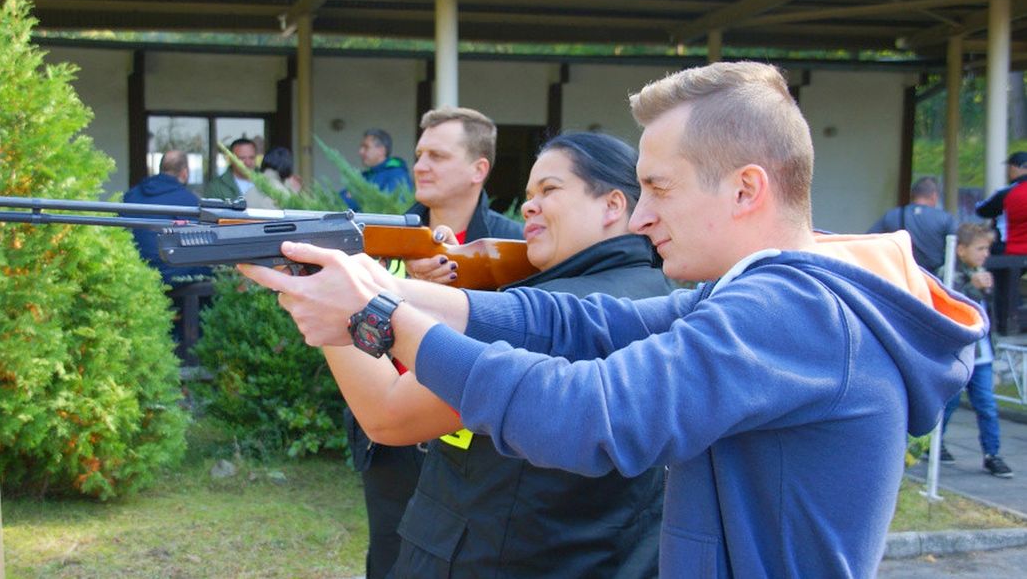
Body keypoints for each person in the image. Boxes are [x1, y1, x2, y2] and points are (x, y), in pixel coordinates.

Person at [239, 62, 984, 576]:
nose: (643, 215)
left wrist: (378, 317)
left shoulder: (797, 311)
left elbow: (593, 414)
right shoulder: (762, 292)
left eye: (659, 188)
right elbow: (583, 325)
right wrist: (384, 287)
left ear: (746, 189)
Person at [323, 132, 671, 577]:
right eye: (529, 195)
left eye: (549, 190)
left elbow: (389, 414)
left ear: (613, 206)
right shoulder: (650, 294)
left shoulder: (559, 311)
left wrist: (331, 296)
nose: (528, 206)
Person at [345, 107, 523, 579]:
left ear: (478, 169)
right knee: (389, 560)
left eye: (438, 156)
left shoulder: (516, 249)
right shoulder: (379, 240)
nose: (420, 166)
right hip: (391, 441)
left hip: (474, 445)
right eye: (420, 154)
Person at [938, 222, 1014, 478]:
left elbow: (988, 310)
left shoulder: (981, 272)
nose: (985, 254)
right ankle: (935, 444)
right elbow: (953, 304)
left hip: (982, 354)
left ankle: (992, 454)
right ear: (961, 250)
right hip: (958, 353)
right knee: (950, 403)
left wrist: (987, 290)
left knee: (987, 405)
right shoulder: (948, 272)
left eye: (987, 249)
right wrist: (973, 286)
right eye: (979, 249)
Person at [122, 150, 212, 284]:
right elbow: (199, 243)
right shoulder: (188, 200)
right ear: (184, 172)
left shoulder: (132, 195)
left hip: (136, 270)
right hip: (173, 273)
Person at [868, 176, 957, 271]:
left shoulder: (892, 215)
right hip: (932, 277)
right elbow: (957, 249)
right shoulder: (945, 218)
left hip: (901, 273)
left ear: (912, 195)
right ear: (934, 196)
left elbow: (869, 240)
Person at [341, 128, 413, 211]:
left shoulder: (397, 175)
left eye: (366, 147)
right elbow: (338, 202)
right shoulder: (365, 175)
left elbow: (389, 208)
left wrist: (355, 197)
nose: (361, 151)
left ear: (381, 150)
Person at [977, 151, 1027, 255]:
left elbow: (982, 210)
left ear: (1016, 168)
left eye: (1009, 167)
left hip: (1007, 250)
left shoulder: (1007, 192)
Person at [202, 137, 258, 201]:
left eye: (251, 158)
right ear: (230, 159)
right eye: (242, 158)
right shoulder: (216, 187)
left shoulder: (267, 181)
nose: (248, 163)